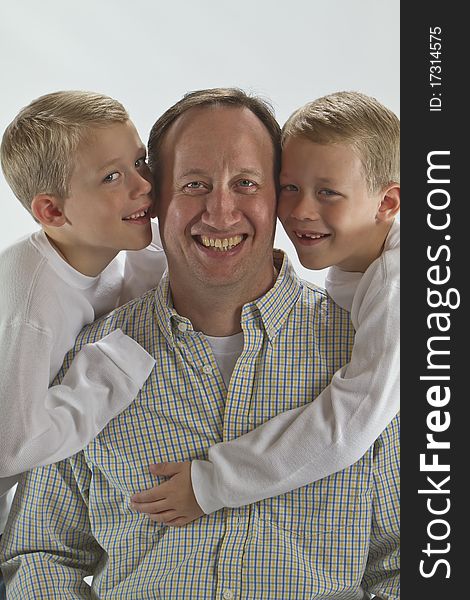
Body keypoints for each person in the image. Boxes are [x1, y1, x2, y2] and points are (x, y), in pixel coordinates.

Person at [0, 88, 399, 599]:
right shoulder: (90, 361)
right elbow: (41, 554)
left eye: (246, 183)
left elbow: (415, 558)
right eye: (194, 185)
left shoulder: (369, 357)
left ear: (277, 196)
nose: (221, 212)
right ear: (154, 200)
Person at [130, 90, 401, 525]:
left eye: (246, 183)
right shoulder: (99, 347)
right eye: (291, 188)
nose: (302, 211)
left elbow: (348, 426)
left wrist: (213, 483)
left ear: (387, 204)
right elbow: (40, 553)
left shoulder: (397, 290)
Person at [0, 90, 166, 595]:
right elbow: (15, 442)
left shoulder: (97, 250)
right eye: (112, 177)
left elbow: (139, 295)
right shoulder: (31, 306)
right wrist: (107, 373)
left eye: (141, 163)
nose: (144, 186)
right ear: (52, 210)